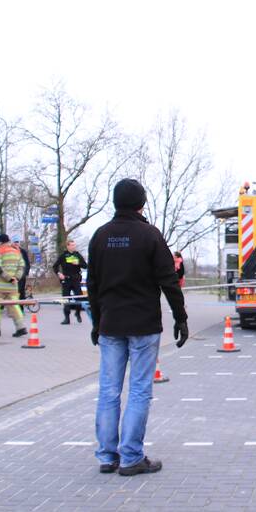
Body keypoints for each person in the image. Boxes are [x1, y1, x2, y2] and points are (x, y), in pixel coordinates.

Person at [88, 178, 189, 477]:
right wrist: (180, 317)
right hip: (143, 324)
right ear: (141, 204)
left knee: (108, 390)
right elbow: (168, 279)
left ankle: (108, 456)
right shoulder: (149, 235)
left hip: (110, 324)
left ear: (115, 202)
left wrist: (96, 321)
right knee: (139, 391)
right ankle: (131, 456)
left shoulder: (100, 236)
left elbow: (92, 284)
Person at [0, 234, 27, 337]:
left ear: (0, 242)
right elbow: (22, 266)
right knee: (14, 306)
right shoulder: (16, 251)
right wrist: (16, 278)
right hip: (13, 286)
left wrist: (8, 278)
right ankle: (21, 327)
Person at [53, 239, 88, 325]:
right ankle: (67, 318)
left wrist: (78, 263)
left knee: (79, 297)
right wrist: (59, 273)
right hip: (66, 279)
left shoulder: (77, 255)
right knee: (66, 299)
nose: (74, 247)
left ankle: (78, 313)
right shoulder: (63, 255)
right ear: (68, 246)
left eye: (74, 245)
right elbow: (55, 266)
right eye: (72, 245)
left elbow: (85, 266)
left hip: (76, 279)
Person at [17, 241, 31, 308]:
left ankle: (21, 308)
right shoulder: (11, 251)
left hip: (22, 274)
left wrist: (26, 272)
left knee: (21, 291)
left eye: (17, 242)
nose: (16, 244)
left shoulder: (23, 251)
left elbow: (27, 263)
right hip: (13, 274)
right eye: (15, 242)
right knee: (14, 291)